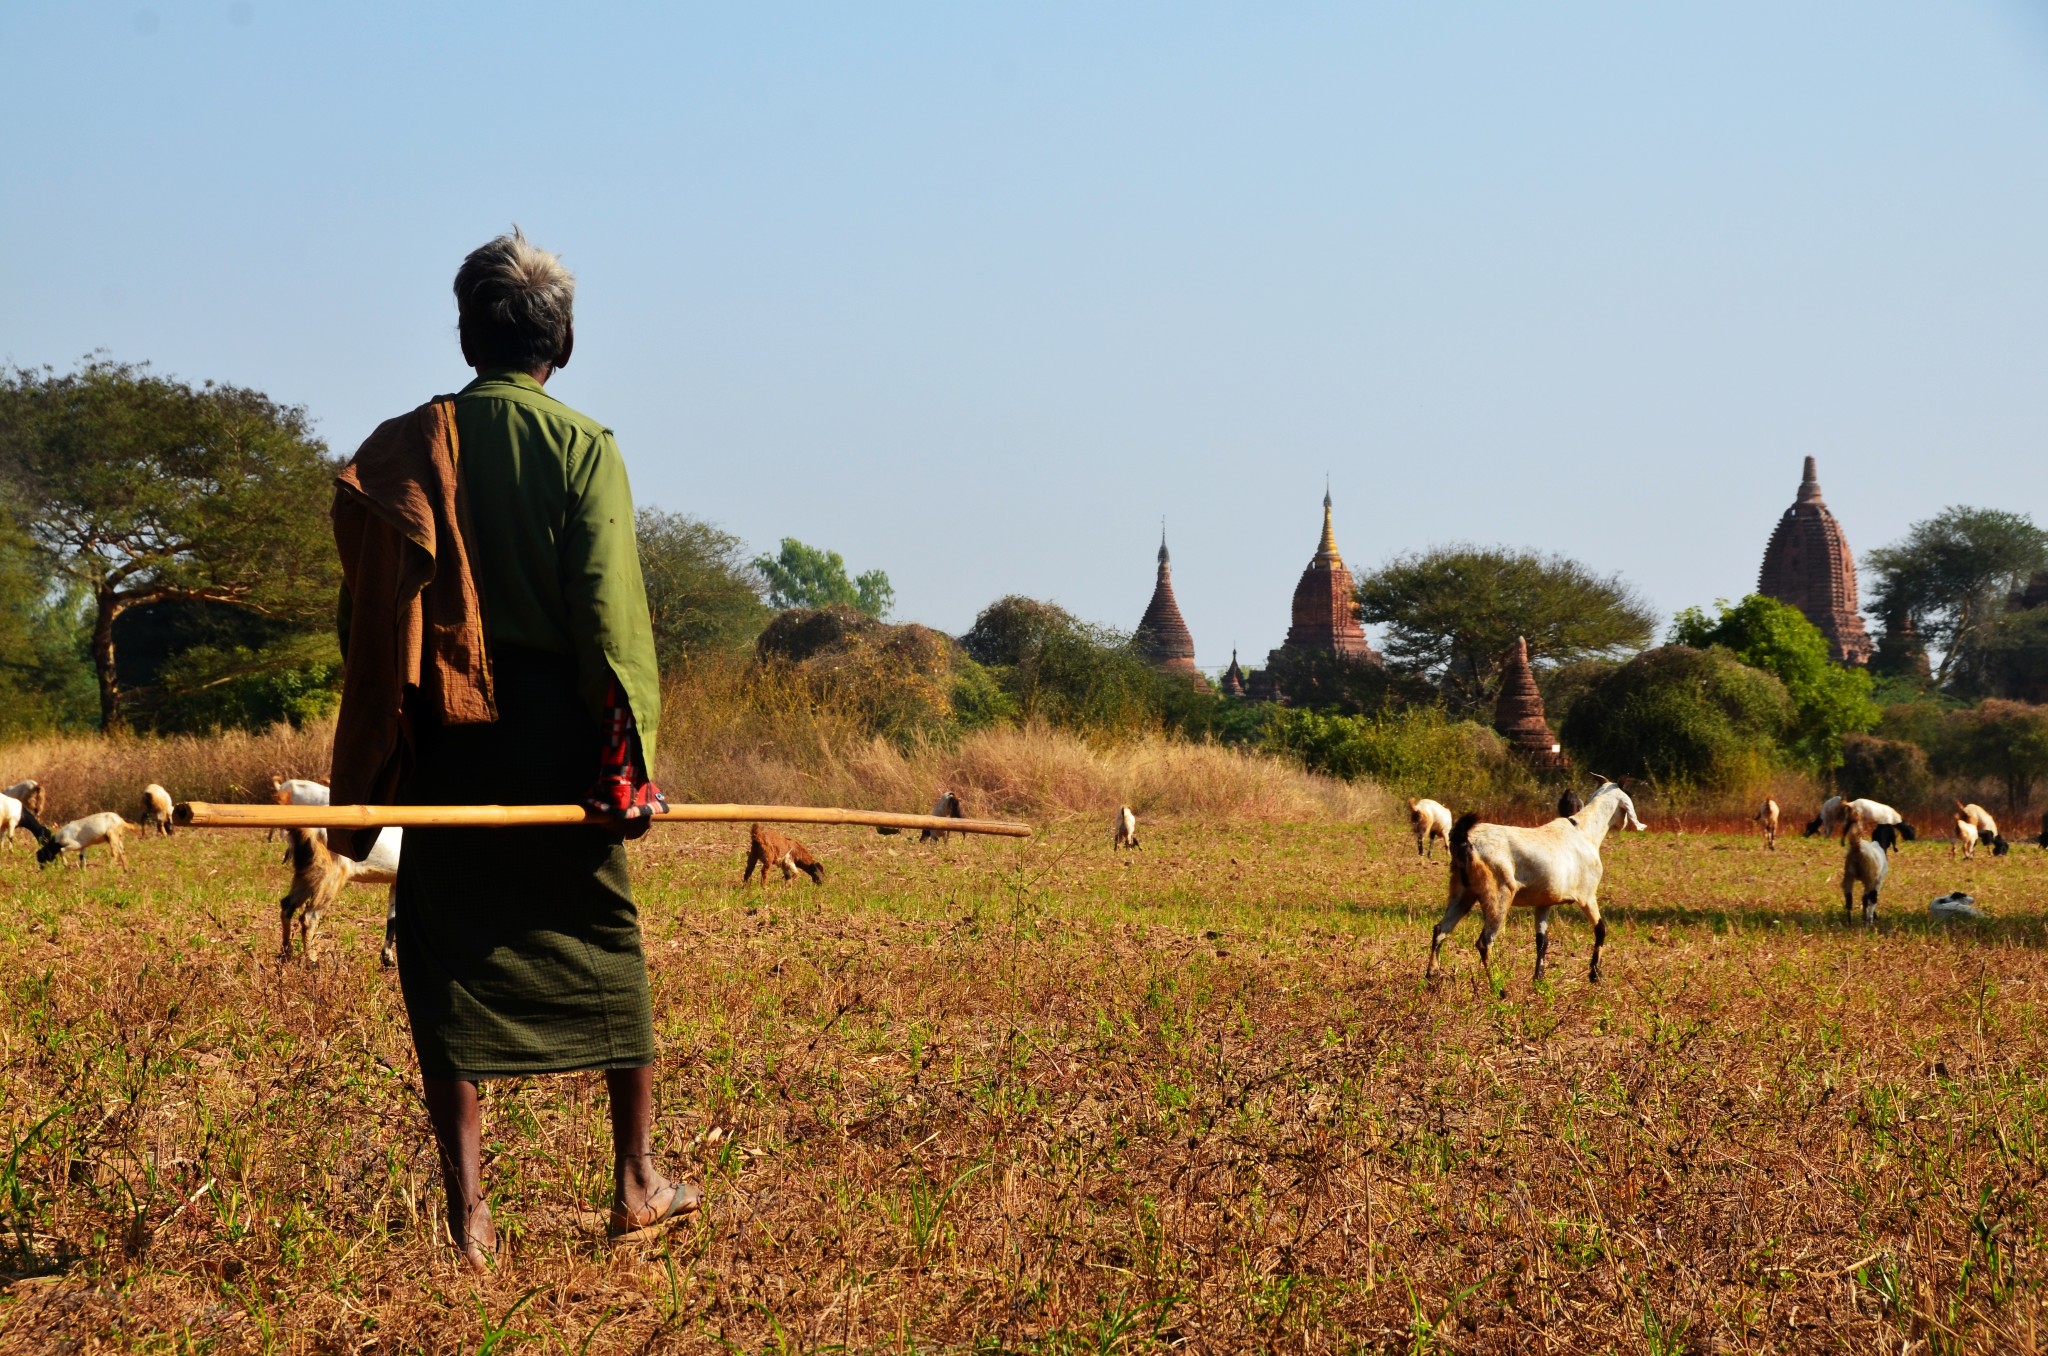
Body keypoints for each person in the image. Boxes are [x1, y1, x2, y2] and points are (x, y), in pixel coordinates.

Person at [331, 228, 693, 1269]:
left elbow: (369, 605)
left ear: (465, 333)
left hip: (445, 739)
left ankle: (471, 1220)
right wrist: (625, 763)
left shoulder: (400, 445)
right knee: (603, 943)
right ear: (561, 342)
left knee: (444, 959)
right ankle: (635, 1182)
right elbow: (609, 621)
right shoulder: (583, 447)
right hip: (558, 742)